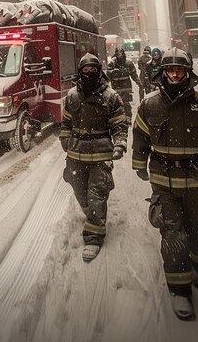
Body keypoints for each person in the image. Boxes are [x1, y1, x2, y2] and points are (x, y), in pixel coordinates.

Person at [132, 47, 198, 321]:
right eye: (170, 70)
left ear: (188, 72)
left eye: (180, 70)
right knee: (173, 234)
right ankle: (180, 290)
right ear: (163, 73)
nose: (175, 74)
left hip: (197, 182)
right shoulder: (149, 105)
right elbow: (140, 137)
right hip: (163, 184)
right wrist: (139, 164)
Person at [60, 53, 128, 262]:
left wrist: (120, 144)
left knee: (96, 193)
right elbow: (66, 123)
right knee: (80, 189)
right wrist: (65, 140)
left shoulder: (111, 97)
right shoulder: (72, 96)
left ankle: (93, 237)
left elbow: (119, 126)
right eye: (85, 70)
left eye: (93, 69)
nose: (89, 74)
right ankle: (93, 213)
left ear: (99, 70)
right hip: (76, 153)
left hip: (101, 154)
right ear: (81, 72)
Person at [107, 47, 141, 127]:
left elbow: (133, 74)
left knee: (126, 105)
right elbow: (108, 75)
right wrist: (114, 72)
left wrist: (139, 82)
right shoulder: (112, 63)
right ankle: (118, 121)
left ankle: (128, 120)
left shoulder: (128, 63)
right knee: (117, 106)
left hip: (126, 89)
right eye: (117, 53)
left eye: (120, 53)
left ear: (123, 53)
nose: (119, 55)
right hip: (116, 89)